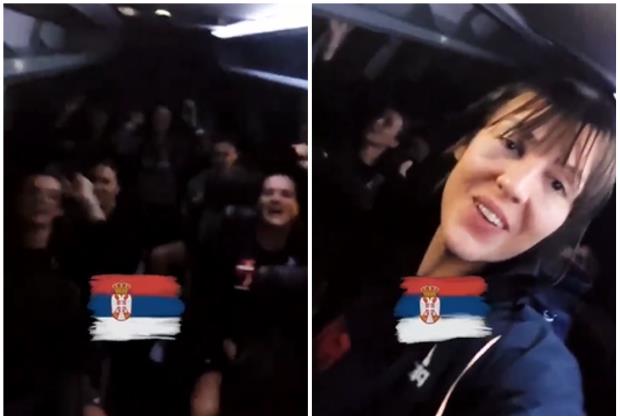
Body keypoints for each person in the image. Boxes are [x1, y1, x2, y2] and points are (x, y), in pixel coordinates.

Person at [313, 77, 615, 415]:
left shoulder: (517, 358)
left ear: (564, 222)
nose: (515, 185)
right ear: (465, 143)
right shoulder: (386, 257)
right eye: (512, 144)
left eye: (557, 184)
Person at [185, 173, 307, 415]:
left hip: (279, 355)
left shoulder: (305, 248)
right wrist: (219, 349)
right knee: (205, 409)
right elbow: (205, 303)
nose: (276, 199)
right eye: (268, 193)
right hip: (224, 342)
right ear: (257, 202)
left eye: (285, 194)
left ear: (297, 207)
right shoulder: (230, 240)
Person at [5, 168, 104, 415]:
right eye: (34, 193)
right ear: (18, 200)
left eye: (51, 196)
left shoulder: (71, 264)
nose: (40, 200)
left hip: (58, 385)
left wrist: (90, 204)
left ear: (59, 208)